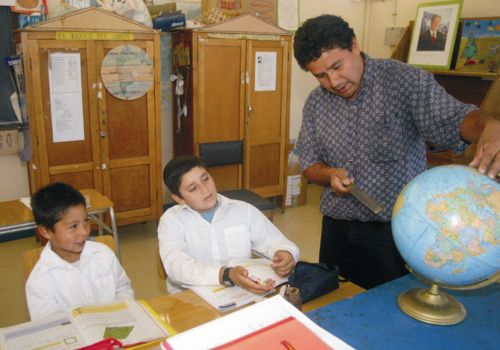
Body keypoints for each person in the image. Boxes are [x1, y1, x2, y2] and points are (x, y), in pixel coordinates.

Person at [293, 15, 500, 289]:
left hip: (395, 232)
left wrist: (489, 126)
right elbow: (308, 162)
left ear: (354, 45)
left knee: (392, 312)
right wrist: (329, 174)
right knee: (336, 303)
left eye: (337, 66)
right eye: (320, 75)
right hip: (336, 228)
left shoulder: (403, 81)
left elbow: (456, 119)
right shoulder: (316, 103)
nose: (333, 81)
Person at [158, 155, 300, 294]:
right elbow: (177, 267)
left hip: (241, 292)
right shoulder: (171, 221)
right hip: (190, 298)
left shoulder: (243, 210)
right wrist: (225, 275)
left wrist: (286, 253)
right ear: (179, 198)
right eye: (193, 188)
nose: (205, 190)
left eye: (206, 179)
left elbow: (277, 242)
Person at [26, 182, 135, 320]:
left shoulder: (103, 254)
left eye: (86, 221)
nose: (84, 232)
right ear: (46, 231)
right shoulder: (39, 281)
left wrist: (121, 314)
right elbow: (51, 327)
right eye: (73, 226)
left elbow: (123, 289)